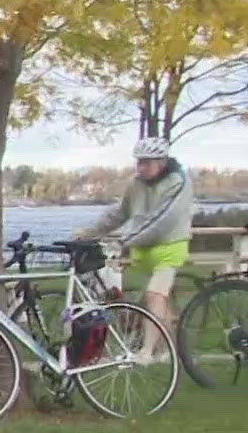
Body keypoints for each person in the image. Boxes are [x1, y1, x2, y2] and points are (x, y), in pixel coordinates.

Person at [75, 136, 192, 345]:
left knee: (154, 295)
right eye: (139, 162)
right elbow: (120, 213)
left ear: (162, 163)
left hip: (170, 246)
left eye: (146, 162)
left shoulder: (178, 182)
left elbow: (162, 221)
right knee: (157, 301)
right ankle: (172, 348)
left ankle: (146, 352)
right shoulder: (135, 184)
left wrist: (126, 240)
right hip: (143, 249)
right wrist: (90, 232)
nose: (141, 167)